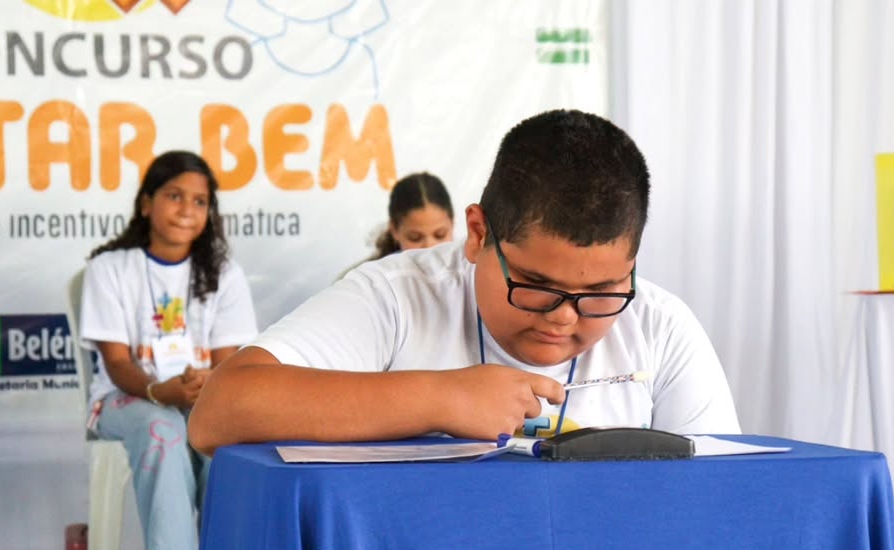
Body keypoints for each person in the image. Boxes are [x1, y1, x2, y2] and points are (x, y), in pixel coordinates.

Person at [188, 109, 739, 455]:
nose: (564, 316)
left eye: (601, 293)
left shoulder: (660, 328)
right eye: (536, 285)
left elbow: (724, 499)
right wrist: (439, 397)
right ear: (477, 235)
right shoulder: (397, 297)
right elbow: (219, 412)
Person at [78, 150, 257, 550]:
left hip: (197, 399)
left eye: (199, 201)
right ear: (146, 203)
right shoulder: (110, 269)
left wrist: (202, 386)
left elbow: (227, 363)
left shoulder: (223, 273)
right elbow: (117, 364)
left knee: (226, 446)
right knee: (165, 429)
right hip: (124, 401)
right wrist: (162, 392)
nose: (186, 210)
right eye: (174, 196)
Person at [338, 172, 455, 278]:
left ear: (452, 223)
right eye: (415, 238)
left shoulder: (464, 273)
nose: (429, 247)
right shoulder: (361, 281)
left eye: (440, 235)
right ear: (394, 230)